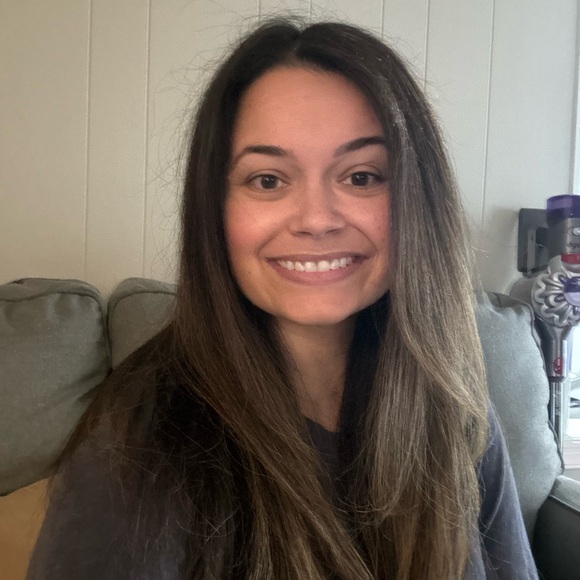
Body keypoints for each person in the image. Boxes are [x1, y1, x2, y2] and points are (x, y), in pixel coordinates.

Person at [27, 19, 538, 580]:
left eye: (362, 176)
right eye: (268, 180)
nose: (316, 219)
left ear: (419, 198)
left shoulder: (452, 402)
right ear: (215, 210)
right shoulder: (136, 445)